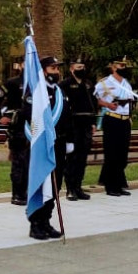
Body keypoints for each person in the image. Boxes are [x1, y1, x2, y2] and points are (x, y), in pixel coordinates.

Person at [25, 57, 72, 237]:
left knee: (55, 184)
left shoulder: (60, 92)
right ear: (43, 70)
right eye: (53, 68)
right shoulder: (35, 92)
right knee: (41, 182)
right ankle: (35, 223)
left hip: (58, 144)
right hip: (42, 144)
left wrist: (70, 140)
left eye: (57, 68)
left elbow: (68, 118)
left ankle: (46, 220)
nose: (56, 72)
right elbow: (27, 114)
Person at [95, 56, 138, 196]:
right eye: (121, 66)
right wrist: (108, 104)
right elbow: (96, 100)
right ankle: (111, 186)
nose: (124, 68)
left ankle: (119, 184)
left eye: (125, 66)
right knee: (112, 154)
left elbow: (130, 101)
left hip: (125, 120)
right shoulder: (104, 83)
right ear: (114, 67)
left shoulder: (126, 83)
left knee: (122, 154)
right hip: (112, 119)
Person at [62, 58, 95, 200]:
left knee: (82, 158)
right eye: (79, 67)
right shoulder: (65, 84)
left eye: (83, 66)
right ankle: (70, 188)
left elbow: (92, 104)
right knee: (72, 158)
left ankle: (78, 186)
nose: (82, 69)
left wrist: (93, 123)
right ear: (71, 69)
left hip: (86, 124)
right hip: (73, 124)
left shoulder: (88, 84)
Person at [1, 58, 29, 206]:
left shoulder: (38, 84)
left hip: (34, 127)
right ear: (21, 65)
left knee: (30, 162)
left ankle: (28, 192)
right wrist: (3, 115)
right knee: (19, 162)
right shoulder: (12, 83)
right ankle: (17, 194)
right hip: (18, 128)